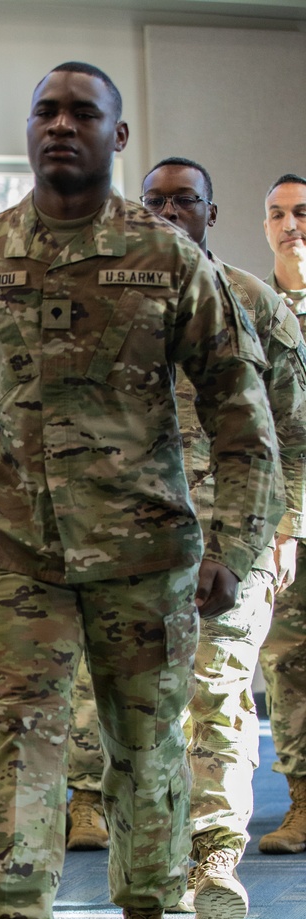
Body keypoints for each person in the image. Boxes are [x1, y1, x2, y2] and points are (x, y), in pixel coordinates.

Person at [0, 63, 283, 919]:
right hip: (18, 552)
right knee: (21, 744)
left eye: (85, 113)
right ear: (26, 131)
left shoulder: (166, 261)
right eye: (47, 111)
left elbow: (243, 421)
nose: (62, 126)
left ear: (117, 138)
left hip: (145, 553)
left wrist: (233, 548)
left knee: (145, 744)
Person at [68, 158, 306, 919]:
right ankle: (157, 858)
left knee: (220, 697)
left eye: (185, 200)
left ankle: (214, 857)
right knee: (142, 714)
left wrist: (285, 526)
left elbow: (294, 433)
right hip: (133, 547)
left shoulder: (254, 303)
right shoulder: (109, 305)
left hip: (231, 542)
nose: (170, 212)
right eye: (156, 200)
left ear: (212, 211)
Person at [258, 173, 306, 855]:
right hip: (283, 513)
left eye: (300, 212)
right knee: (289, 661)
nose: (290, 223)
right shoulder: (254, 307)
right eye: (276, 214)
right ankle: (302, 801)